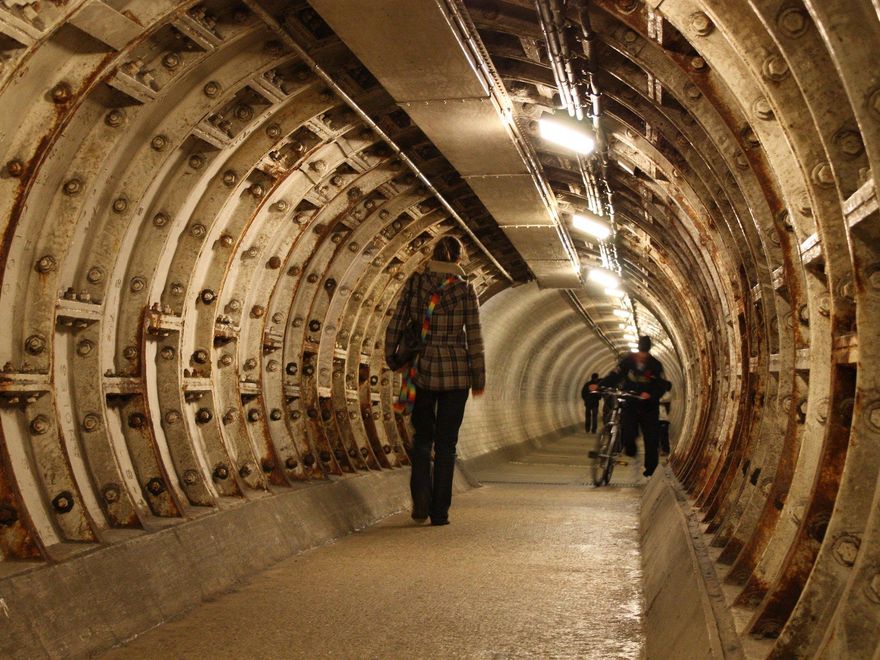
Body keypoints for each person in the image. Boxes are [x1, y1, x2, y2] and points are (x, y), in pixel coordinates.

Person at [384, 236, 485, 526]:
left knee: (422, 440)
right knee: (446, 445)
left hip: (423, 369)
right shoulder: (465, 289)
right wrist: (478, 377)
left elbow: (397, 322)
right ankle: (440, 512)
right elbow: (475, 336)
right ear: (458, 259)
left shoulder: (417, 283)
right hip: (456, 373)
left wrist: (393, 358)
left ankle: (420, 502)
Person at [590, 336, 669, 477]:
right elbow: (615, 375)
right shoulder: (628, 361)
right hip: (631, 401)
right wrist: (601, 385)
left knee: (651, 438)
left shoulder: (655, 365)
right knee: (627, 432)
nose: (641, 357)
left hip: (648, 406)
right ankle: (629, 448)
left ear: (648, 352)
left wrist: (650, 394)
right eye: (640, 354)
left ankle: (650, 468)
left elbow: (662, 385)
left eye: (644, 354)